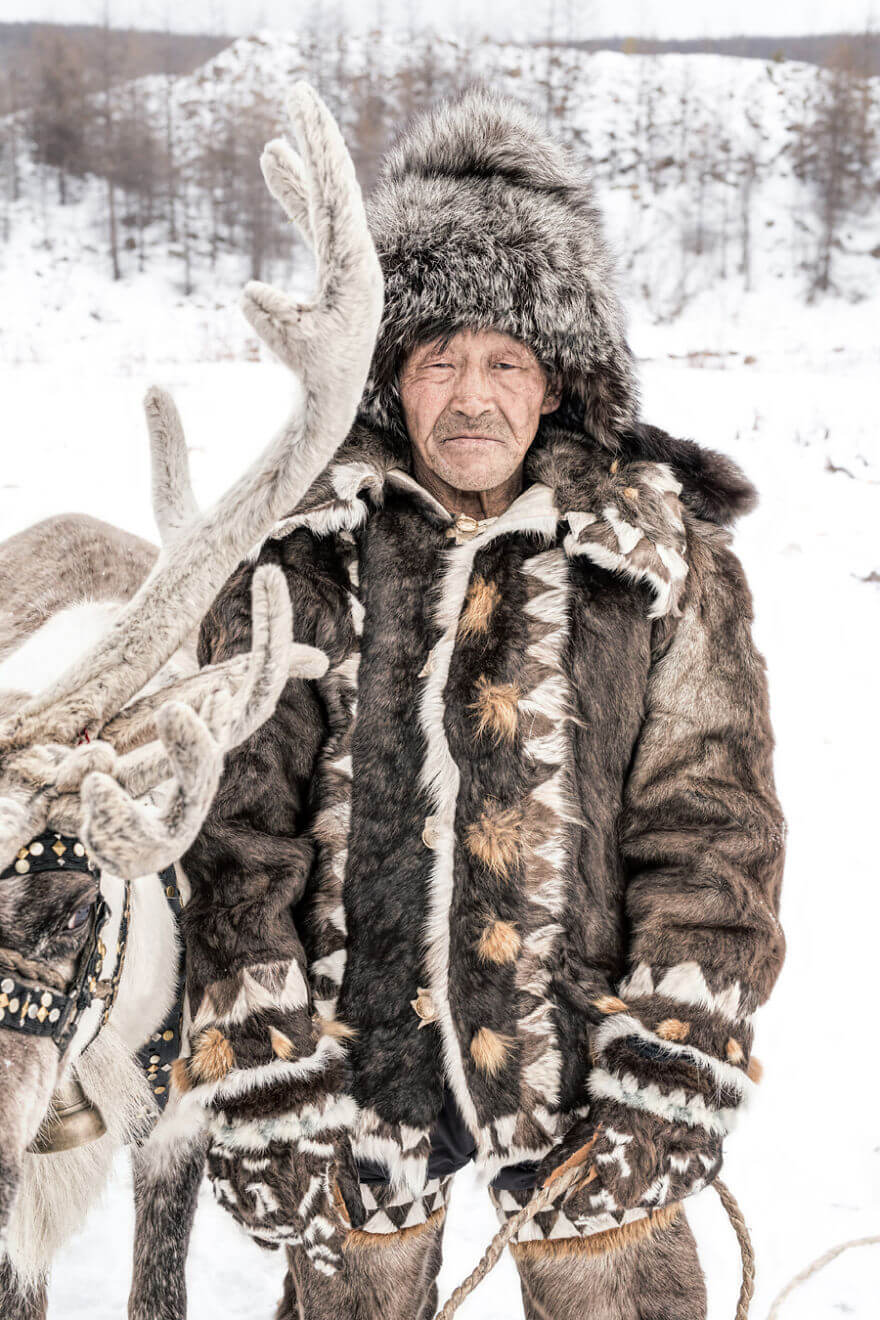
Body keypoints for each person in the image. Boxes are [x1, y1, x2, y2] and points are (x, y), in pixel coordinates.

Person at [179, 86, 786, 1320]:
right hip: (354, 1079)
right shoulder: (298, 551)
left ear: (558, 381)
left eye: (505, 360)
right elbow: (236, 825)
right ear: (386, 379)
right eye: (436, 359)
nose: (471, 396)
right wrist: (259, 1059)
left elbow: (711, 819)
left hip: (581, 1073)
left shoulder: (650, 554)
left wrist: (670, 1062)